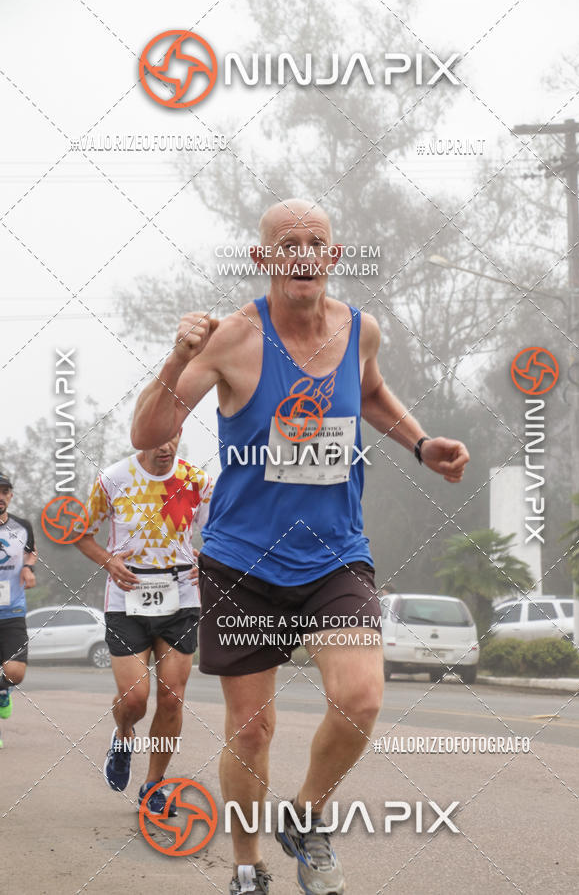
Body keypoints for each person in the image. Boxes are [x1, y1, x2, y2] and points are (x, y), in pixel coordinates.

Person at [131, 199, 469, 894]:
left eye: (316, 243)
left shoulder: (360, 330)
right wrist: (176, 357)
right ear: (265, 261)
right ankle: (249, 867)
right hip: (242, 562)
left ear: (333, 257)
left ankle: (307, 816)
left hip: (334, 554)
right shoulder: (233, 339)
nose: (303, 255)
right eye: (288, 245)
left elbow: (370, 393)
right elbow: (148, 432)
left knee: (362, 698)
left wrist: (422, 442)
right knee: (251, 731)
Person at [75, 432, 212, 814]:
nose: (165, 447)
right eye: (157, 440)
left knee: (171, 697)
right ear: (141, 439)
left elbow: (221, 530)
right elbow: (82, 535)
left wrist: (211, 558)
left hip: (181, 596)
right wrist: (109, 561)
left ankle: (154, 786)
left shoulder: (196, 479)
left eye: (173, 438)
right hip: (126, 597)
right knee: (135, 701)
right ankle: (122, 735)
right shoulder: (114, 478)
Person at [0, 471, 36, 748]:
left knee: (16, 672)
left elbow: (30, 552)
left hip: (12, 612)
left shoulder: (23, 527)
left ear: (10, 496)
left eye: (4, 492)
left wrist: (27, 567)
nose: (0, 497)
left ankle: (3, 690)